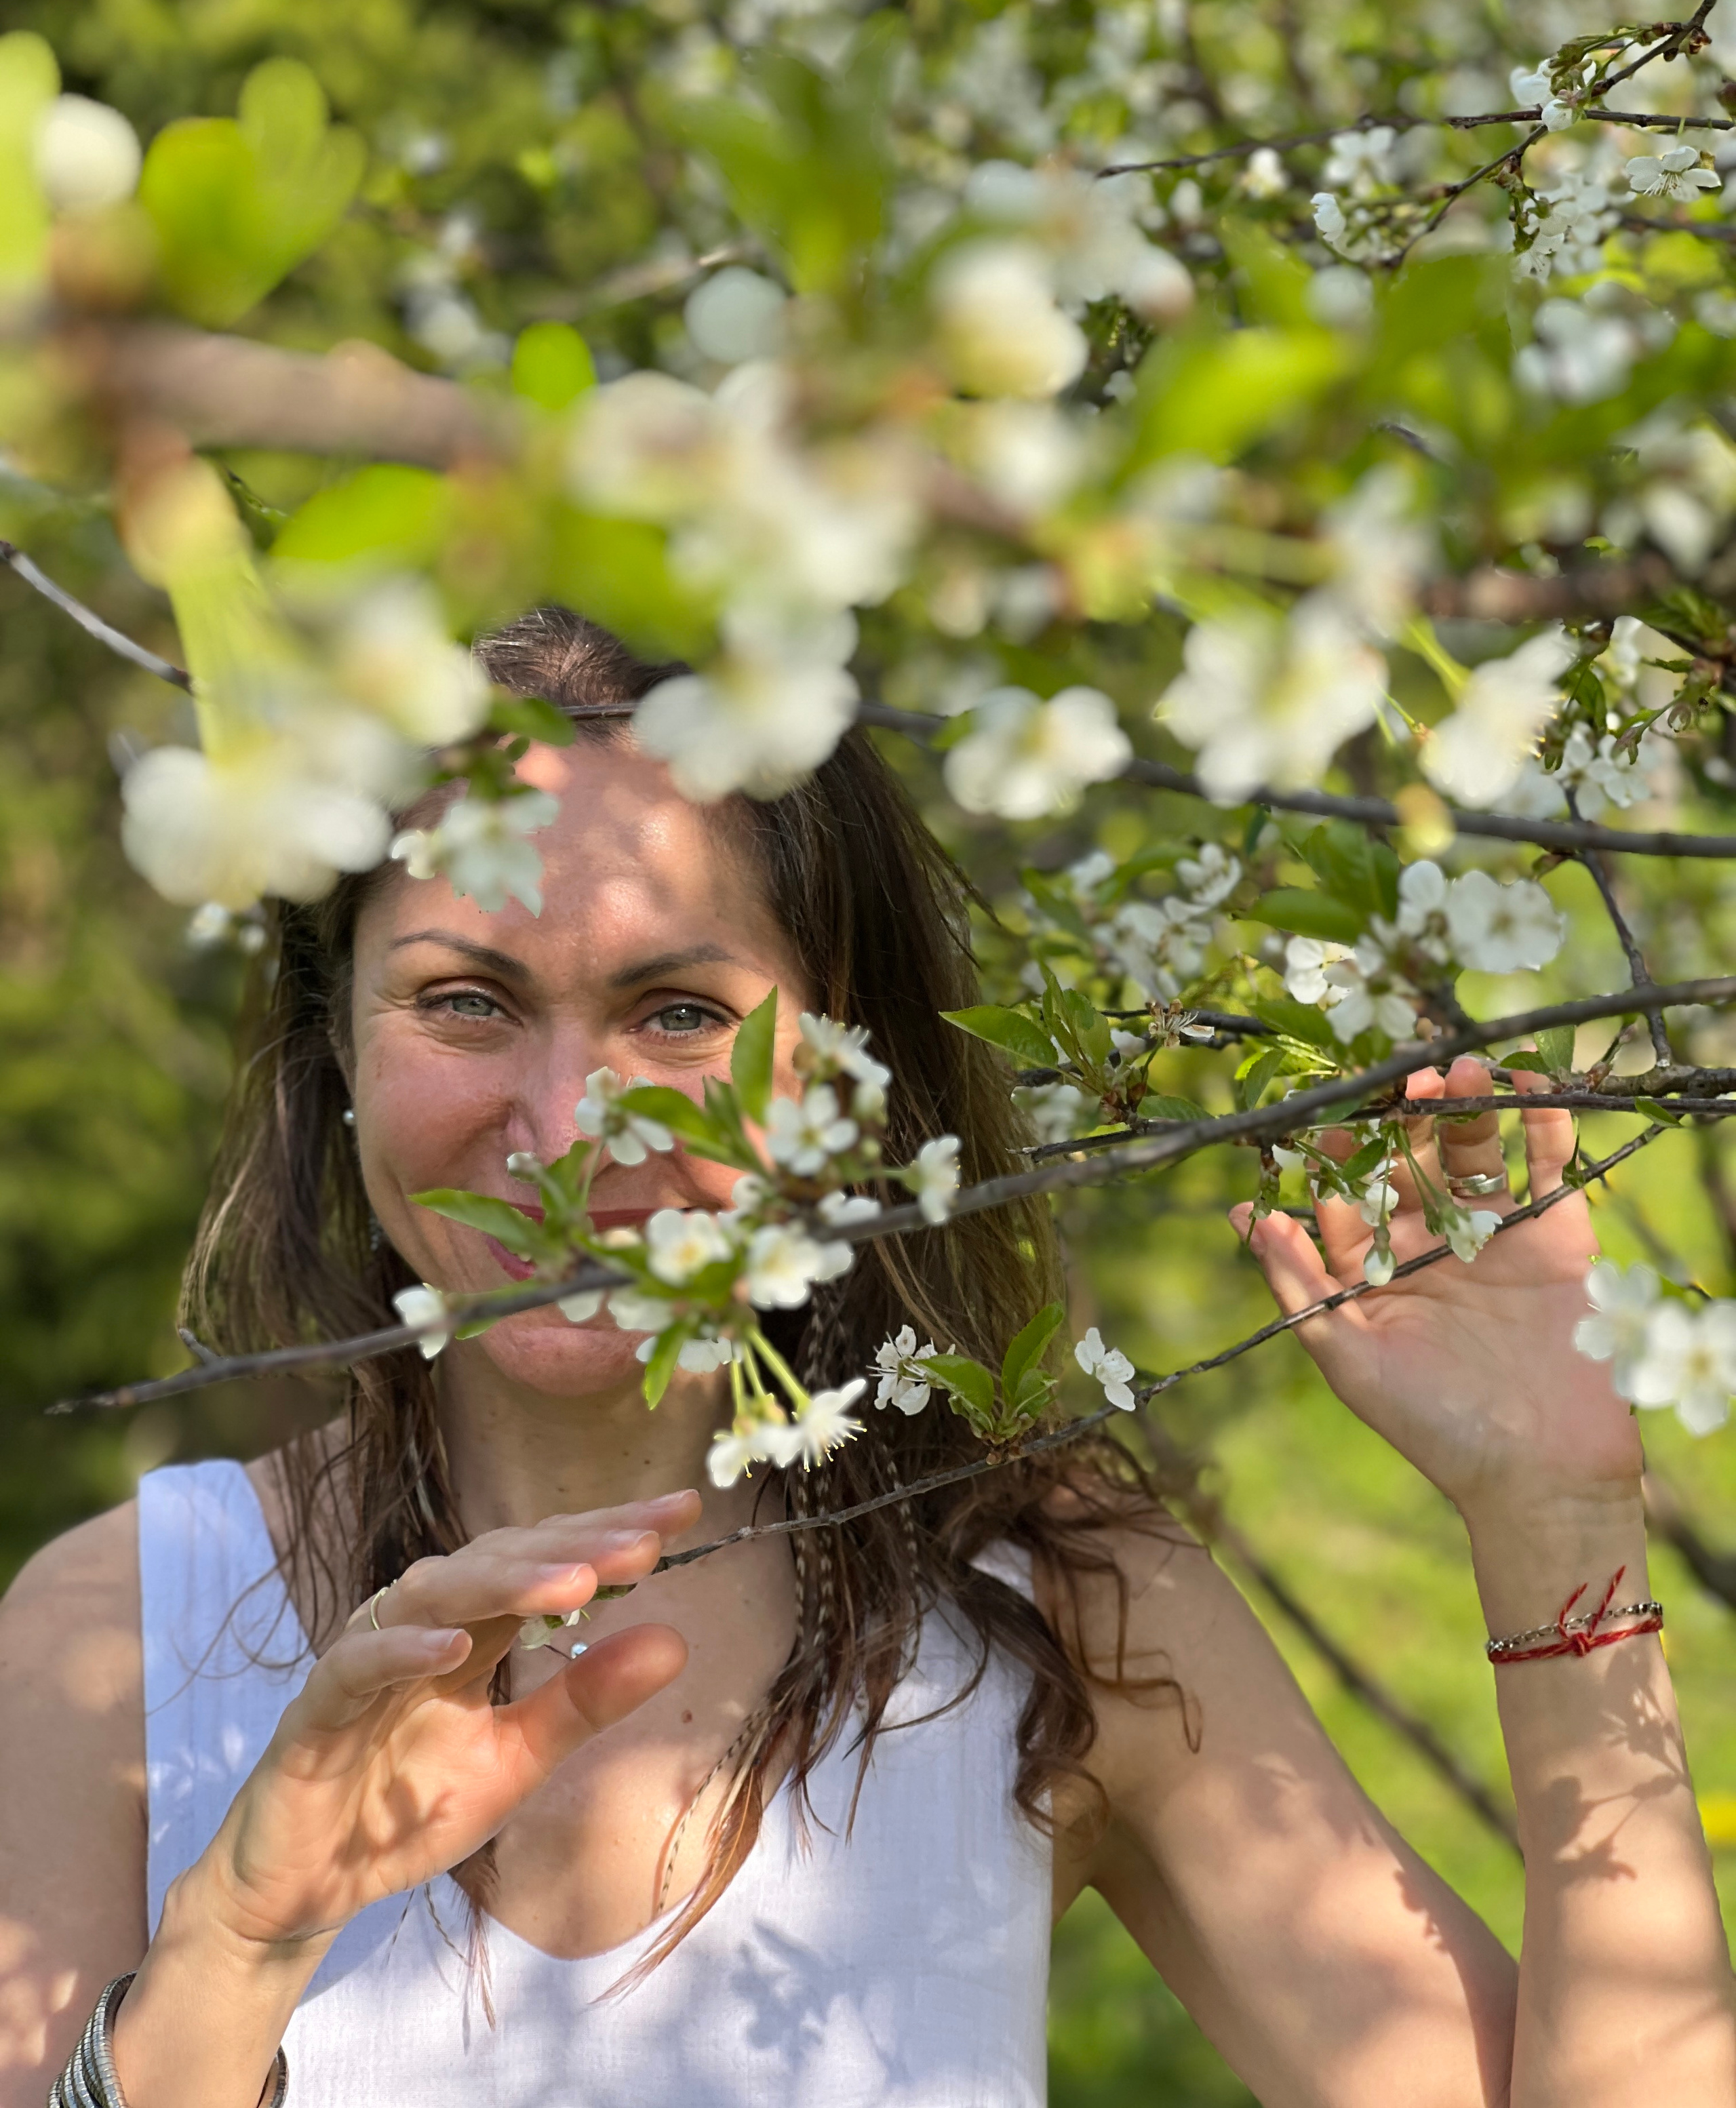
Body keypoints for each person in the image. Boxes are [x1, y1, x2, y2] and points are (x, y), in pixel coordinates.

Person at [2, 608, 1731, 2108]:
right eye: (466, 999)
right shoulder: (120, 1636)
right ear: (337, 1039)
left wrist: (1555, 1514)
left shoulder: (1056, 1606)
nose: (568, 1126)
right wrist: (243, 1938)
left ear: (838, 1068)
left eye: (678, 1013)